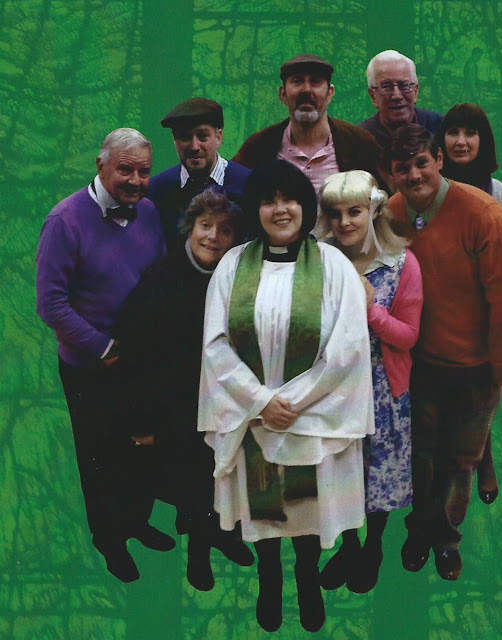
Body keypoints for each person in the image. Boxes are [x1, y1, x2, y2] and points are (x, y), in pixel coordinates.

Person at [198, 160, 374, 632]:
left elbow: (348, 347)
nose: (280, 209)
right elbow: (215, 345)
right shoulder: (233, 266)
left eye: (289, 198)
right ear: (255, 210)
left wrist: (292, 402)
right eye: (268, 200)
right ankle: (270, 577)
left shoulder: (333, 266)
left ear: (305, 206)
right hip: (253, 415)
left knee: (308, 503)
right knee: (264, 503)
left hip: (313, 413)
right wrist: (260, 401)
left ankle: (308, 578)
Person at [387, 124, 502, 581]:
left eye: (422, 163)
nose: (414, 175)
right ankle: (418, 530)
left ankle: (446, 539)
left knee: (460, 462)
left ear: (440, 161)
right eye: (403, 168)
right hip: (420, 366)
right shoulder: (391, 215)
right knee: (421, 458)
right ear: (392, 174)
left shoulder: (483, 214)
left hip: (475, 368)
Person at [36, 128, 173, 583]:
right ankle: (109, 539)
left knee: (141, 449)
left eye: (144, 172)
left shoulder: (148, 212)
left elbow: (160, 277)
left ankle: (137, 522)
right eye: (125, 170)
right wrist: (104, 347)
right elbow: (50, 305)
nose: (136, 181)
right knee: (100, 455)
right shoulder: (64, 221)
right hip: (90, 366)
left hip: (140, 361)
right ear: (101, 165)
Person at [114, 189, 254, 592]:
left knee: (225, 476)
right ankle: (197, 554)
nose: (213, 236)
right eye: (205, 225)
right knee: (192, 481)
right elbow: (134, 355)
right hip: (172, 406)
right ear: (189, 228)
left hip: (226, 402)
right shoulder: (160, 279)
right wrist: (141, 421)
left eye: (225, 230)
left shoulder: (239, 280)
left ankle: (223, 535)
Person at [317, 170, 423, 593]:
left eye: (354, 212)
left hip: (382, 387)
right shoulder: (320, 259)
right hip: (333, 385)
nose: (344, 222)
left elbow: (408, 336)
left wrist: (371, 309)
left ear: (374, 211)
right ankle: (348, 545)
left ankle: (373, 545)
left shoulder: (402, 263)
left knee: (378, 469)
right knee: (340, 468)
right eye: (335, 213)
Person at [438, 102, 502, 505]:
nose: (461, 142)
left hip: (481, 306)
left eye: (470, 133)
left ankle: (485, 457)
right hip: (438, 305)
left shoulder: (495, 191)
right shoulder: (429, 186)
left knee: (482, 392)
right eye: (453, 133)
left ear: (484, 141)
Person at [232, 54, 384, 197]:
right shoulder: (259, 146)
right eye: (297, 81)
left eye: (315, 81)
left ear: (329, 93)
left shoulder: (359, 144)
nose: (306, 90)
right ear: (283, 94)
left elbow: (383, 201)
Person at [149, 98, 251, 250]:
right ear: (174, 141)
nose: (194, 146)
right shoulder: (158, 189)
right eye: (185, 137)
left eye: (202, 136)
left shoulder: (247, 183)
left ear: (219, 137)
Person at [358, 50, 443, 152]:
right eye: (387, 87)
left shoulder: (440, 128)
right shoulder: (360, 140)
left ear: (415, 91)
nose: (397, 96)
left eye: (404, 85)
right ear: (373, 96)